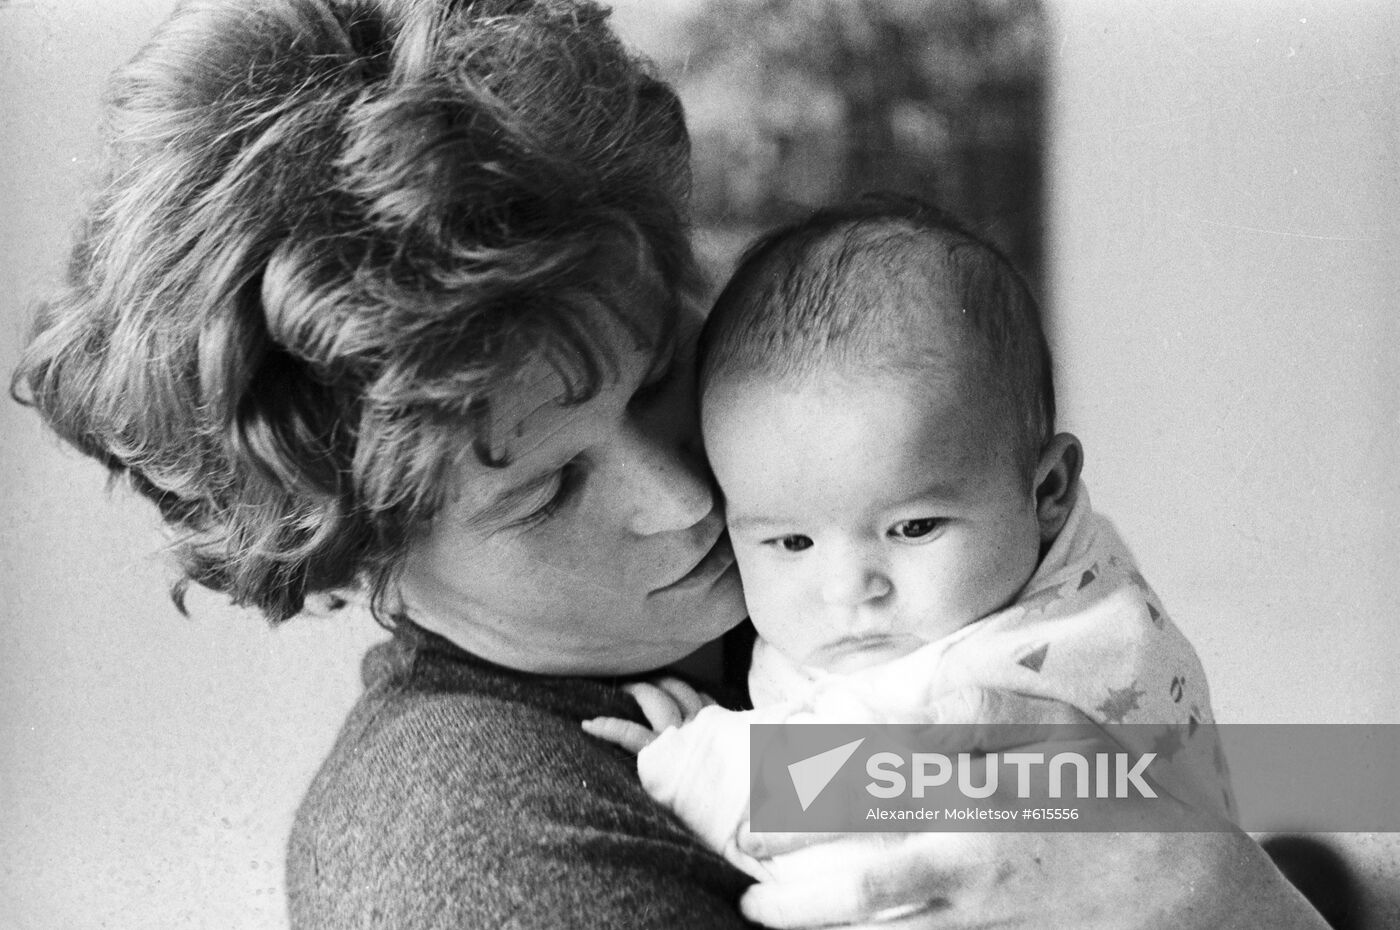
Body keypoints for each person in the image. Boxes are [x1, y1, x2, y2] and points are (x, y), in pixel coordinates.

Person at [9, 0, 1331, 927]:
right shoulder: (468, 845)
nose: (690, 496)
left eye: (661, 370)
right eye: (548, 485)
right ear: (370, 555)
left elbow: (1312, 790)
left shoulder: (799, 590)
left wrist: (1253, 872)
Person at [585, 197, 1235, 880]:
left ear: (1048, 493)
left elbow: (872, 822)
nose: (850, 590)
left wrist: (700, 768)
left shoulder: (1064, 652)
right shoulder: (969, 595)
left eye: (913, 528)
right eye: (791, 544)